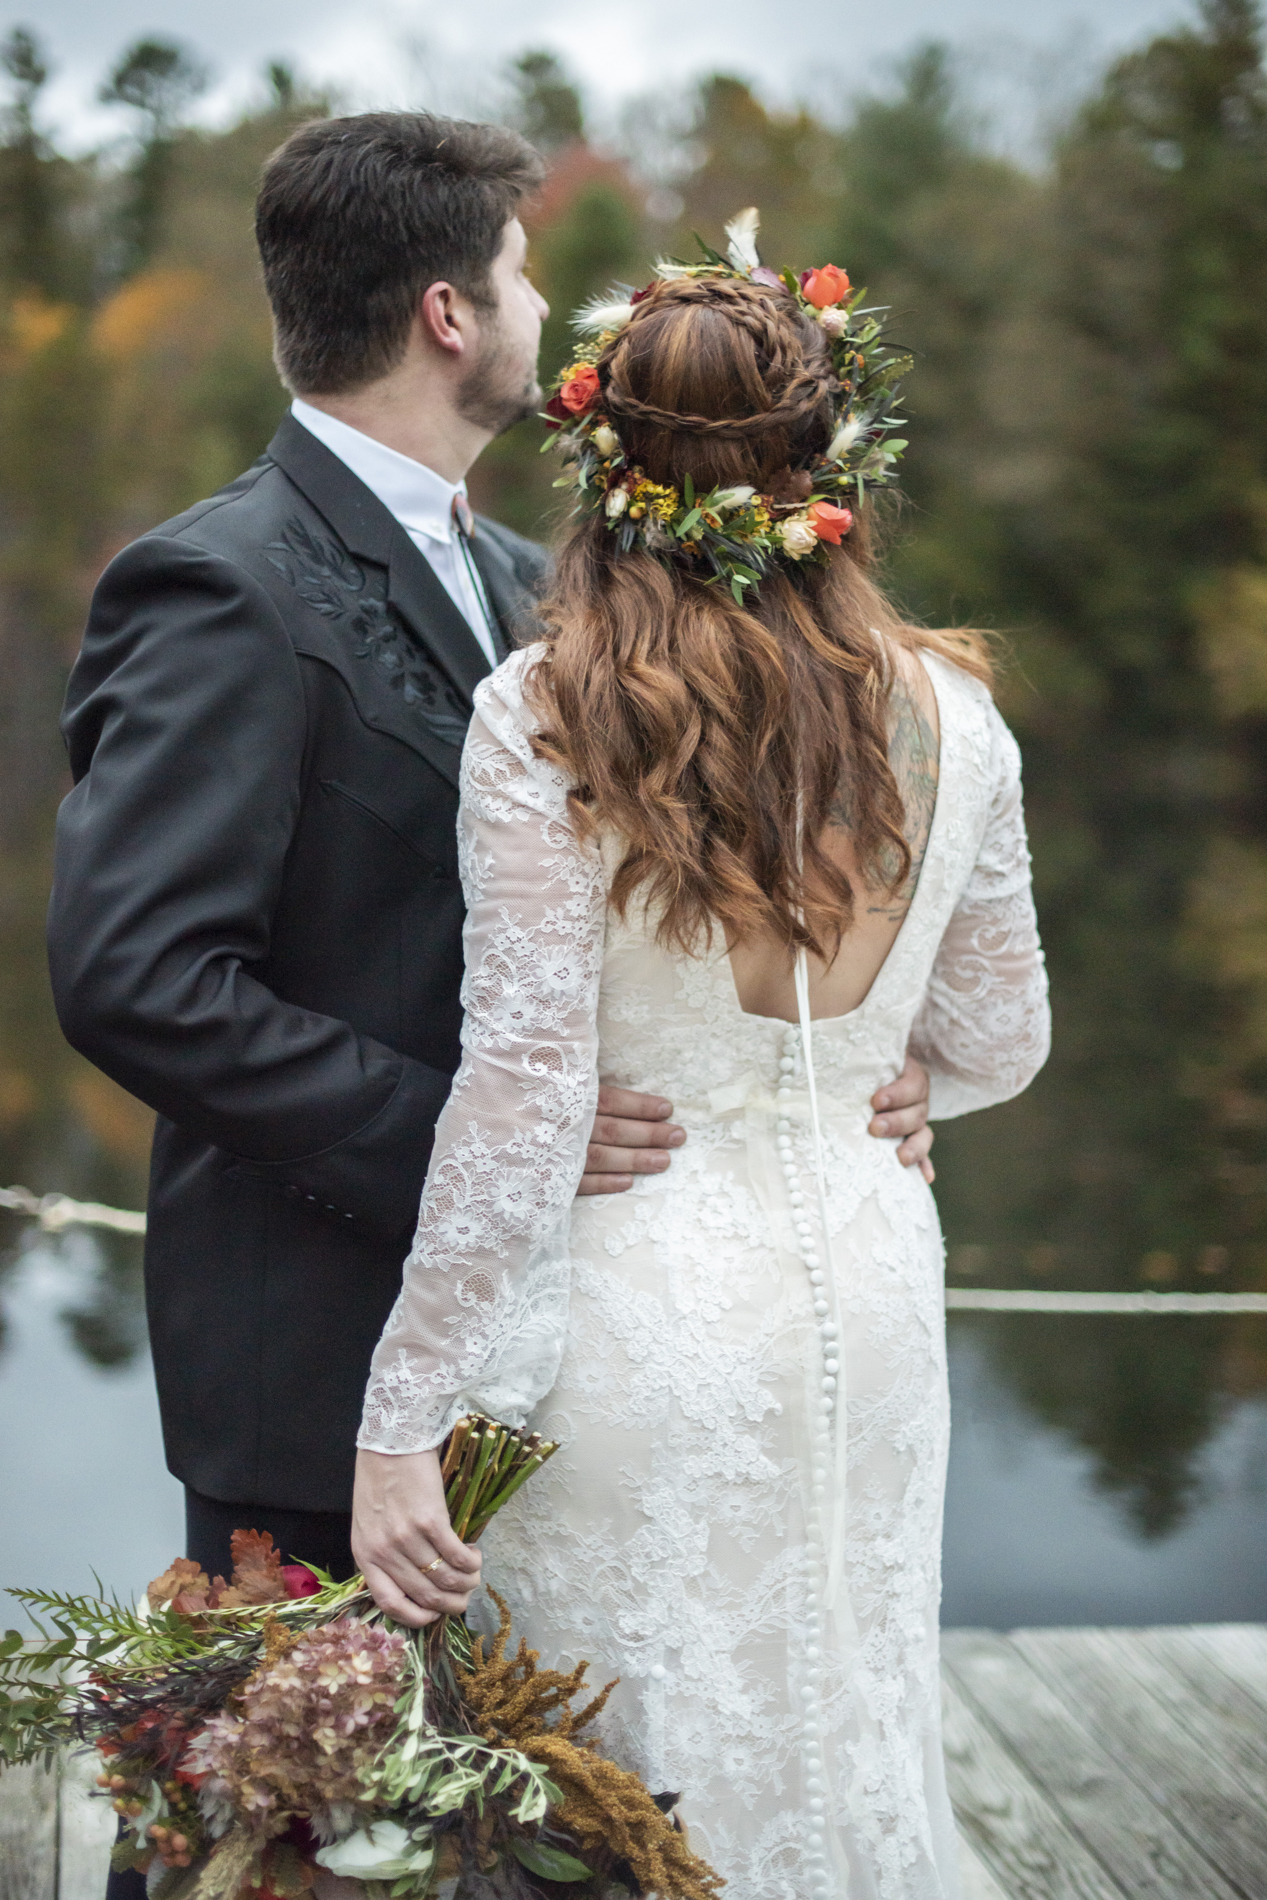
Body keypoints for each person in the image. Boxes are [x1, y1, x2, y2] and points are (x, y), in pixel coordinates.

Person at [46, 115, 937, 1896]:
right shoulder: (219, 585)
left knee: (482, 1843)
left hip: (555, 1352)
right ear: (451, 315)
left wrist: (853, 1057)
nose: (547, 308)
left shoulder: (538, 594)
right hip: (314, 1342)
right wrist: (469, 1139)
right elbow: (137, 979)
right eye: (528, 274)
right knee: (269, 1839)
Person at [350, 254, 1050, 1897]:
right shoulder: (959, 717)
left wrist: (398, 1426)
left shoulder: (543, 716)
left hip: (637, 1313)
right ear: (829, 471)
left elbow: (520, 1102)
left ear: (603, 472)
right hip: (869, 1302)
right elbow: (1006, 1042)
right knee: (843, 1719)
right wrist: (899, 1094)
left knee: (634, 1771)